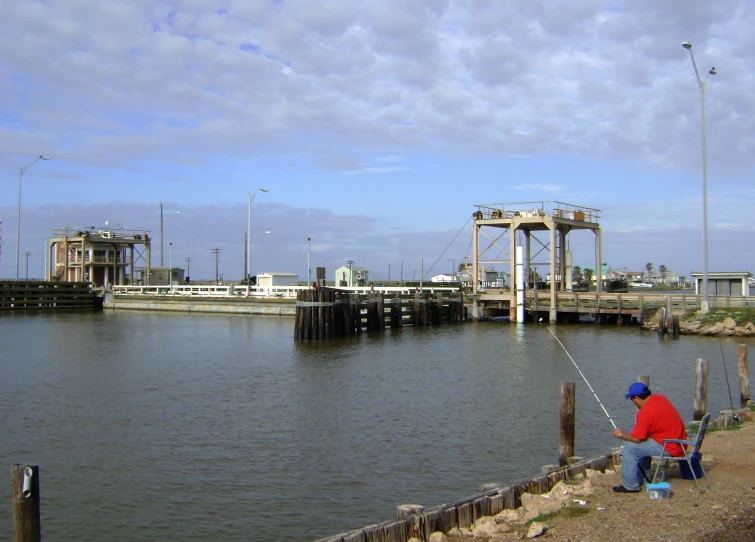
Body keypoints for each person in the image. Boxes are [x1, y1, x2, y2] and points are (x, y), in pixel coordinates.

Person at [611, 382, 687, 493]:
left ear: (636, 398)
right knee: (643, 444)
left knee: (629, 447)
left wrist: (620, 434)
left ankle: (630, 486)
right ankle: (642, 478)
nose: (632, 402)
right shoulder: (660, 398)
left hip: (670, 446)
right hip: (679, 442)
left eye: (631, 399)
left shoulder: (645, 413)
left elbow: (636, 439)